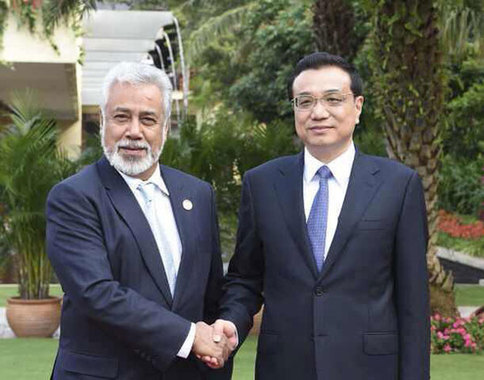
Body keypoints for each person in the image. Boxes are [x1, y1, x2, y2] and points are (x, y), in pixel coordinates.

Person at [210, 52, 430, 379]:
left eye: (332, 99)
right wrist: (230, 320)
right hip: (284, 367)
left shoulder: (398, 185)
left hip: (370, 369)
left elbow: (413, 303)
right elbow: (245, 277)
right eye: (305, 101)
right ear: (295, 109)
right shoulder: (262, 183)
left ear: (357, 107)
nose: (319, 112)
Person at [46, 62, 233, 379]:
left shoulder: (198, 195)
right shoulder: (74, 197)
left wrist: (220, 335)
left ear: (164, 127)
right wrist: (190, 337)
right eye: (122, 117)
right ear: (104, 122)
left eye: (148, 119)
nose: (134, 131)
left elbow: (211, 291)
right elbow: (97, 293)